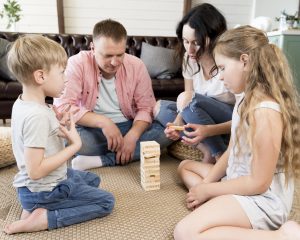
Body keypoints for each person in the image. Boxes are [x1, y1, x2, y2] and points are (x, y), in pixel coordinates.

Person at [173, 25, 300, 240]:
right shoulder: (244, 99)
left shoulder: (265, 112)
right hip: (237, 181)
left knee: (185, 232)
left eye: (222, 68)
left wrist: (209, 191)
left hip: (261, 199)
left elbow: (259, 183)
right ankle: (221, 202)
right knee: (185, 166)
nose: (220, 77)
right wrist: (206, 186)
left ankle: (283, 236)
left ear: (244, 61)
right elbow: (232, 150)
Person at [4, 35, 114, 234]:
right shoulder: (36, 116)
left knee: (92, 180)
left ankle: (32, 209)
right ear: (40, 77)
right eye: (62, 72)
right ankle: (44, 217)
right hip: (43, 189)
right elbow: (35, 171)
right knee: (106, 202)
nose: (66, 78)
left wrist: (57, 125)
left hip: (40, 185)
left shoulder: (25, 103)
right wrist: (74, 146)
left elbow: (37, 139)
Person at [54, 19, 170, 171]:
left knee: (168, 132)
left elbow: (146, 107)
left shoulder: (136, 65)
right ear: (93, 48)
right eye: (108, 55)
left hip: (128, 126)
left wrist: (133, 136)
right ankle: (135, 151)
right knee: (65, 138)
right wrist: (104, 122)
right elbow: (63, 107)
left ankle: (102, 160)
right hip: (91, 129)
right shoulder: (77, 63)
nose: (115, 62)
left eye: (120, 55)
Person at [154, 3, 235, 163]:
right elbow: (186, 102)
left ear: (213, 39)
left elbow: (246, 118)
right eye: (185, 41)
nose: (189, 50)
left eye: (196, 43)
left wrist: (210, 130)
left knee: (190, 100)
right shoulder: (189, 60)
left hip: (228, 121)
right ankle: (207, 149)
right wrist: (177, 124)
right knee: (159, 108)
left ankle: (219, 155)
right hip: (196, 113)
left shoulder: (229, 62)